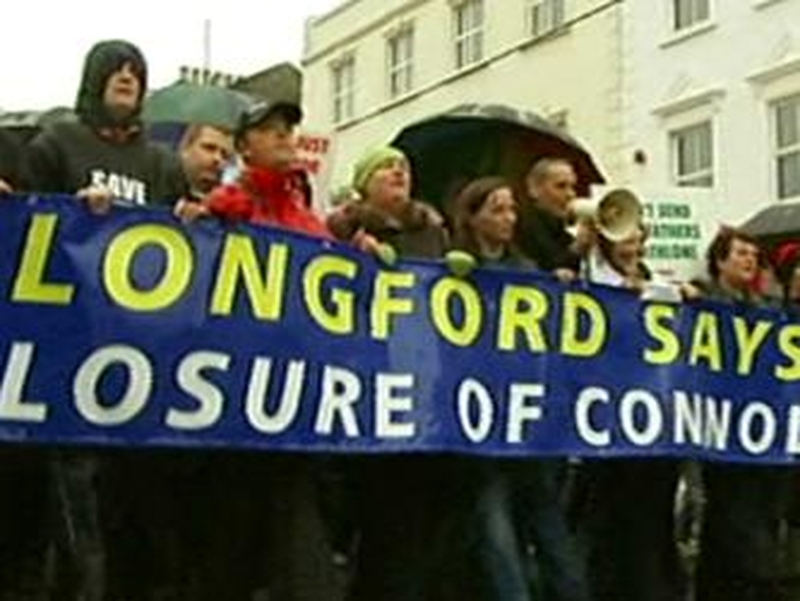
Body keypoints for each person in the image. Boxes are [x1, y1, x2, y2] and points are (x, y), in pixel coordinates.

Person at [21, 39, 187, 601]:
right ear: (93, 80)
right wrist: (70, 209)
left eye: (136, 72)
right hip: (69, 350)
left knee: (135, 494)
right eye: (115, 70)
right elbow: (22, 223)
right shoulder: (55, 144)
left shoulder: (161, 163)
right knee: (77, 494)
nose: (126, 77)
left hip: (142, 353)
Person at [179, 99, 337, 601]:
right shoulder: (227, 206)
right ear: (246, 146)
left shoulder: (307, 218)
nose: (287, 137)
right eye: (271, 131)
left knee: (296, 533)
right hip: (232, 397)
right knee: (234, 534)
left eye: (289, 128)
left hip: (294, 399)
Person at [327, 146, 461, 601]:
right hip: (369, 383)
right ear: (364, 183)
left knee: (417, 516)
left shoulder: (433, 232)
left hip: (422, 385)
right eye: (387, 167)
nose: (399, 172)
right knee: (378, 513)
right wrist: (353, 259)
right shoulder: (344, 229)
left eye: (404, 166)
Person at [581, 215, 684, 601]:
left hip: (653, 416)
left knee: (655, 511)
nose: (634, 247)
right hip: (608, 417)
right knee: (616, 513)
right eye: (626, 240)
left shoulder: (654, 282)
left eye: (639, 240)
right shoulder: (595, 279)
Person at [690, 228, 793, 601]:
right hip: (720, 430)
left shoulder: (768, 311)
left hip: (761, 432)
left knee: (757, 514)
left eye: (754, 254)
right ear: (720, 261)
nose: (750, 259)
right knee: (731, 515)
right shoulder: (701, 301)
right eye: (741, 253)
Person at [449, 176, 534, 601]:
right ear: (473, 216)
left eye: (512, 209)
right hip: (473, 424)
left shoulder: (528, 271)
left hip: (524, 420)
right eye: (497, 209)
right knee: (494, 527)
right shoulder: (450, 266)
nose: (508, 218)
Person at [515, 157, 594, 275]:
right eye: (561, 186)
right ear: (534, 189)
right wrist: (577, 248)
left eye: (573, 187)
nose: (570, 194)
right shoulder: (524, 225)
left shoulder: (562, 229)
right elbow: (547, 268)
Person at [178, 124, 234, 200]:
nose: (217, 158)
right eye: (209, 148)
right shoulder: (160, 184)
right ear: (186, 148)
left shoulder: (228, 205)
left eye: (225, 155)